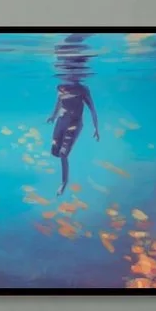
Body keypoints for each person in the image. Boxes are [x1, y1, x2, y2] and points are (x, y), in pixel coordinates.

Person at [46, 34, 99, 192]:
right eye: (68, 72)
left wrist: (96, 128)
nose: (71, 75)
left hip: (75, 123)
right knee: (55, 152)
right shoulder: (61, 87)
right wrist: (53, 115)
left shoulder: (82, 89)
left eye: (73, 72)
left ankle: (64, 183)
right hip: (61, 121)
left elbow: (92, 109)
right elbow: (59, 102)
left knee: (63, 154)